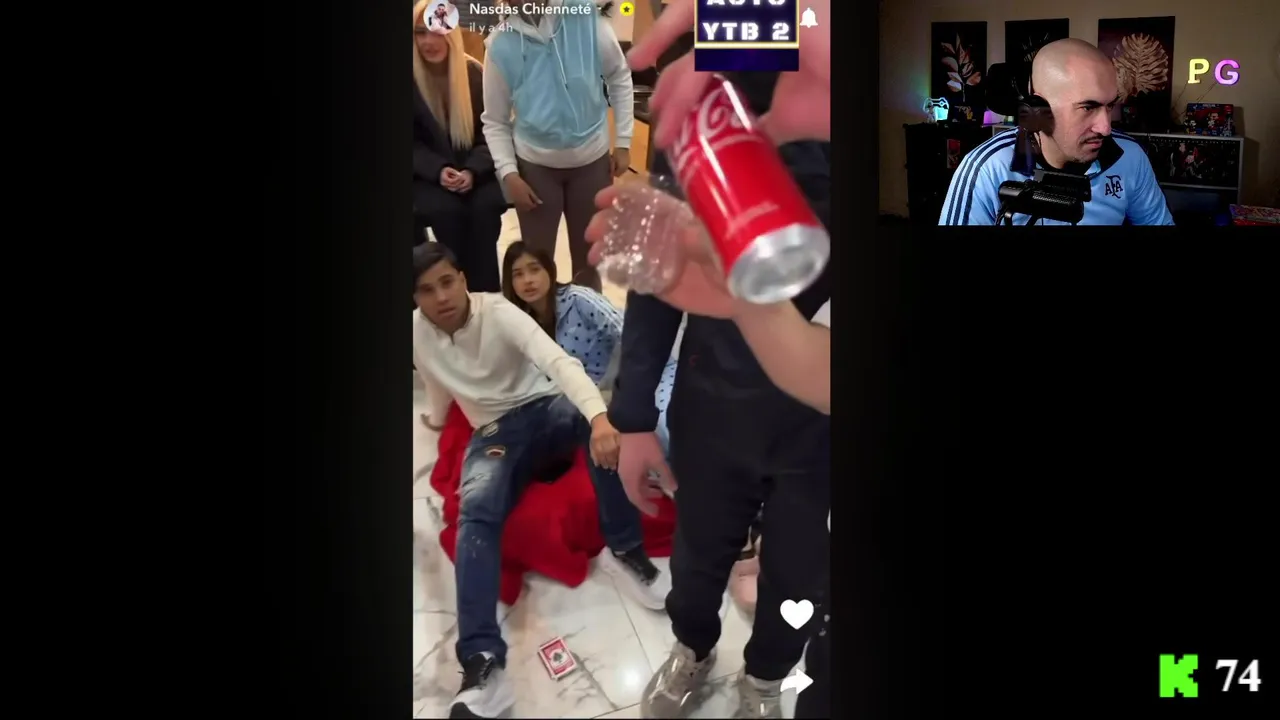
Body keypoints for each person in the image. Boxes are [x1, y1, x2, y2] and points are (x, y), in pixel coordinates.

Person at [589, 4, 836, 717]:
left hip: (819, 420)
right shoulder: (701, 94)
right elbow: (658, 268)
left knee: (799, 576)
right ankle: (693, 647)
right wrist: (634, 415)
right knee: (697, 560)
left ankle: (765, 678)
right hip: (715, 396)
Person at [412, 242, 671, 719]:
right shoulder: (415, 334)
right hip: (492, 434)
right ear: (415, 298)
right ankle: (482, 664)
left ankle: (625, 550)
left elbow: (557, 362)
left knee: (597, 425)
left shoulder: (498, 312)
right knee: (475, 514)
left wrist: (598, 417)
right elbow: (436, 383)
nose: (441, 297)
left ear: (463, 279)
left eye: (447, 282)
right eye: (427, 290)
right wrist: (436, 422)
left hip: (544, 406)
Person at [480, 0, 635, 292]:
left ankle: (587, 319)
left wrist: (624, 141)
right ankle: (539, 320)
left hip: (591, 161)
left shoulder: (584, 17)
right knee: (536, 266)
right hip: (535, 169)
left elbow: (618, 74)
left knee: (589, 264)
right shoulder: (500, 45)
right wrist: (509, 174)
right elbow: (495, 120)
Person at [939, 38, 1175, 226]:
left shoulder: (1131, 157)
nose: (1106, 128)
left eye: (1110, 106)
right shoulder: (987, 169)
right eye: (1088, 107)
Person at [500, 241, 679, 450]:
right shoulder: (520, 323)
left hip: (643, 376)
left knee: (661, 429)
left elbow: (631, 338)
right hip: (592, 402)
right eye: (518, 274)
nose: (528, 280)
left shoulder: (579, 299)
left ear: (549, 270)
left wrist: (614, 392)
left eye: (534, 269)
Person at [413, 0, 507, 291]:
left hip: (476, 172)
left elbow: (492, 131)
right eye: (420, 32)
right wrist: (439, 170)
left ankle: (486, 295)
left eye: (436, 31)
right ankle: (452, 289)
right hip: (427, 176)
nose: (428, 42)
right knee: (447, 212)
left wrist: (472, 171)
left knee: (484, 211)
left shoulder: (474, 74)